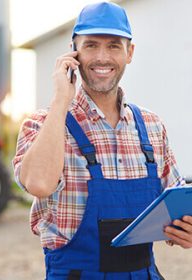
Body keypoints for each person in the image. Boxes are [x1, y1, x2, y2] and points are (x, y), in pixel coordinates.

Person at [13, 2, 192, 279]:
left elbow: (176, 203)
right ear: (74, 53)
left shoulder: (152, 126)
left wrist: (185, 229)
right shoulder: (43, 124)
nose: (102, 57)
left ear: (129, 52)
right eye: (91, 45)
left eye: (113, 46)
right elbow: (38, 184)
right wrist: (61, 100)